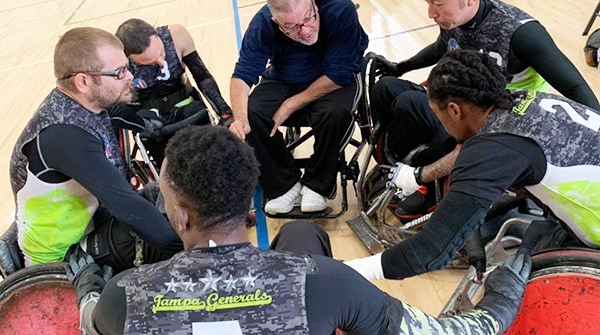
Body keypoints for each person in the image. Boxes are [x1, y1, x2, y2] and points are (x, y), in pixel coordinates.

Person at [67, 125, 532, 335]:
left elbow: (88, 319)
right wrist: (505, 288)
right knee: (302, 241)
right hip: (315, 290)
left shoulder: (123, 297)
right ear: (248, 203)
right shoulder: (324, 283)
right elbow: (457, 333)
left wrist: (87, 284)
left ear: (181, 216)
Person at [372, 0, 599, 209]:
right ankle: (401, 166)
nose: (431, 13)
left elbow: (574, 86)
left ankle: (426, 185)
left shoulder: (519, 32)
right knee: (386, 88)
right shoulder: (454, 19)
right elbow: (440, 47)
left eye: (438, 3)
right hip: (463, 106)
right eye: (427, 2)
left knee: (410, 103)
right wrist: (401, 67)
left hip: (503, 118)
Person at [345, 49, 600, 281]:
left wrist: (348, 270)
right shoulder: (525, 99)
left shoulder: (492, 150)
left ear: (454, 111)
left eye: (437, 114)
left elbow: (429, 252)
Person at [9, 27, 182, 272]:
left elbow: (120, 114)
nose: (130, 76)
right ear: (83, 81)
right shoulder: (64, 136)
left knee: (168, 194)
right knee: (164, 239)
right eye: (120, 72)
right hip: (62, 258)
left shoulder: (85, 103)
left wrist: (158, 128)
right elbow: (127, 206)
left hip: (91, 224)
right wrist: (193, 253)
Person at [229, 0, 369, 214]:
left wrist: (290, 105)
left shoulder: (340, 10)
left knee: (334, 113)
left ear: (312, 2)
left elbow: (338, 75)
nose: (305, 31)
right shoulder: (262, 24)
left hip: (332, 80)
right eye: (292, 27)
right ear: (276, 22)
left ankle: (318, 184)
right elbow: (242, 75)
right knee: (252, 113)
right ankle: (284, 185)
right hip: (284, 78)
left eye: (308, 18)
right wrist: (240, 119)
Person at [111, 18, 233, 165]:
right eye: (150, 62)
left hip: (184, 104)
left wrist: (224, 111)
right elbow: (114, 106)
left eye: (161, 53)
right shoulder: (117, 62)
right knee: (149, 130)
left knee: (197, 116)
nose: (161, 62)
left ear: (155, 31)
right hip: (149, 113)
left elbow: (203, 77)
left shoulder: (176, 35)